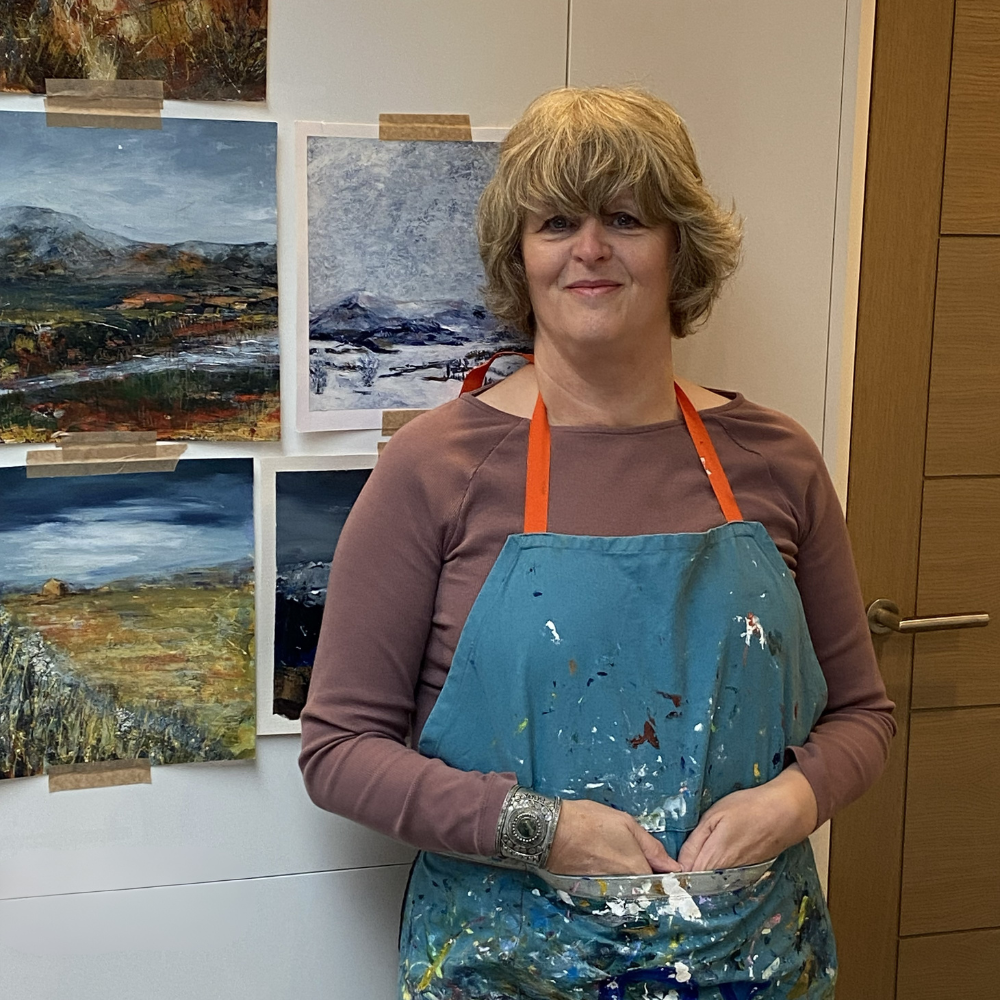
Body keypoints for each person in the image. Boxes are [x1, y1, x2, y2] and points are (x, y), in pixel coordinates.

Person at [299, 87, 895, 1000]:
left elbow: (862, 716)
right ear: (519, 256)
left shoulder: (775, 459)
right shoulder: (434, 469)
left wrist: (792, 803)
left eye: (626, 217)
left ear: (678, 248)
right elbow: (339, 750)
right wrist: (542, 829)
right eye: (555, 221)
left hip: (751, 961)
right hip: (506, 968)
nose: (590, 249)